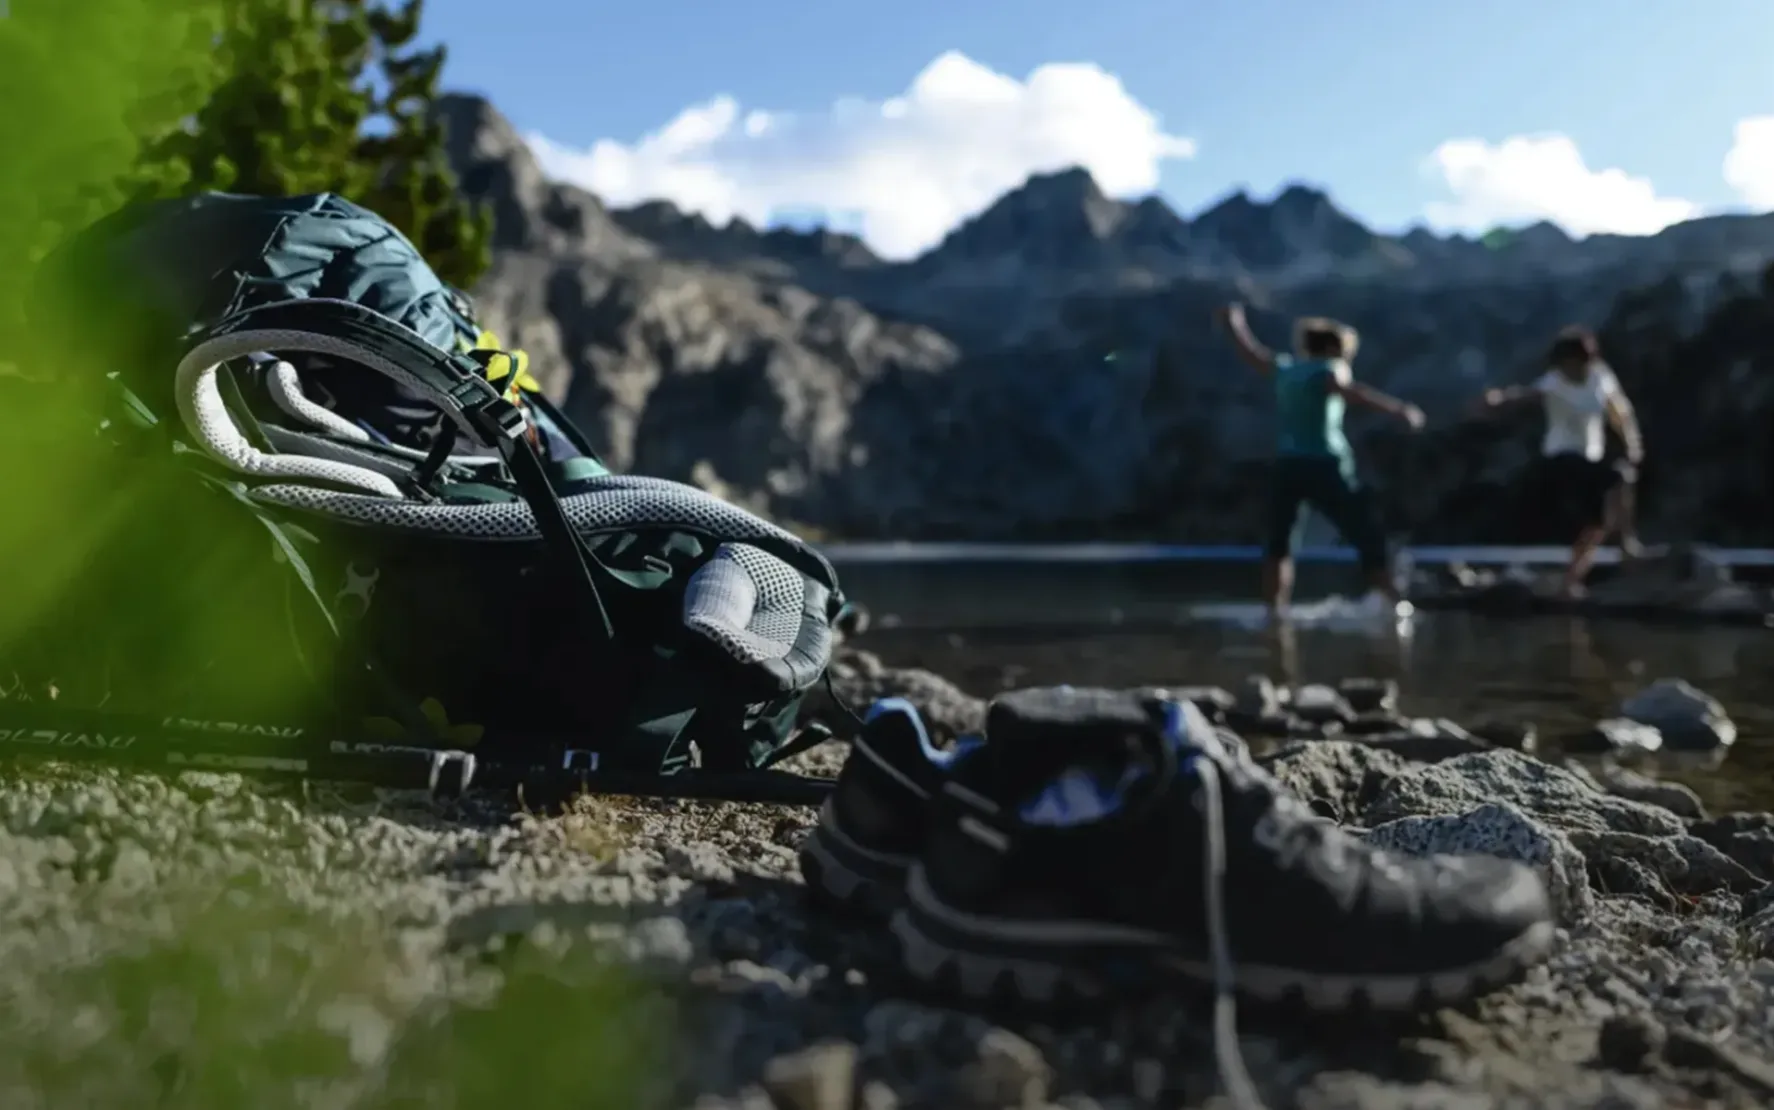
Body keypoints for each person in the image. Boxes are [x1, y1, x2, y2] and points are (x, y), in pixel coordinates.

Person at [1214, 303, 1425, 619]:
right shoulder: (1329, 368)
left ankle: (1274, 613)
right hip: (1324, 464)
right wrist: (1398, 410)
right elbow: (1351, 391)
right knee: (1364, 533)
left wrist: (1234, 325)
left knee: (1279, 543)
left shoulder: (1286, 370)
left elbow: (1252, 353)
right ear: (1332, 348)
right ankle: (1395, 603)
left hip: (1287, 466)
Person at [1472, 326, 1645, 597]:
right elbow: (1525, 395)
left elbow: (1619, 412)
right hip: (1562, 459)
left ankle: (1572, 580)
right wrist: (1498, 400)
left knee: (1599, 520)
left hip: (1590, 459)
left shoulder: (1601, 377)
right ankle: (1626, 544)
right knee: (1618, 477)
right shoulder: (1555, 381)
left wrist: (1632, 444)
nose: (1572, 371)